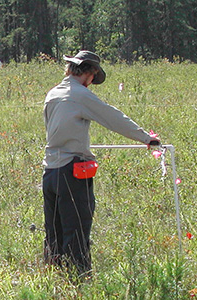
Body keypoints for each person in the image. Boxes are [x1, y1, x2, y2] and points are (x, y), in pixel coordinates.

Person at [42, 51, 160, 278]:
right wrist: (147, 138)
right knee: (77, 228)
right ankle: (80, 279)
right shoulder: (80, 94)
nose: (92, 83)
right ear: (89, 73)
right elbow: (112, 117)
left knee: (53, 230)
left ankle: (53, 278)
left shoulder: (52, 93)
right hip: (71, 171)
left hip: (50, 172)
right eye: (93, 77)